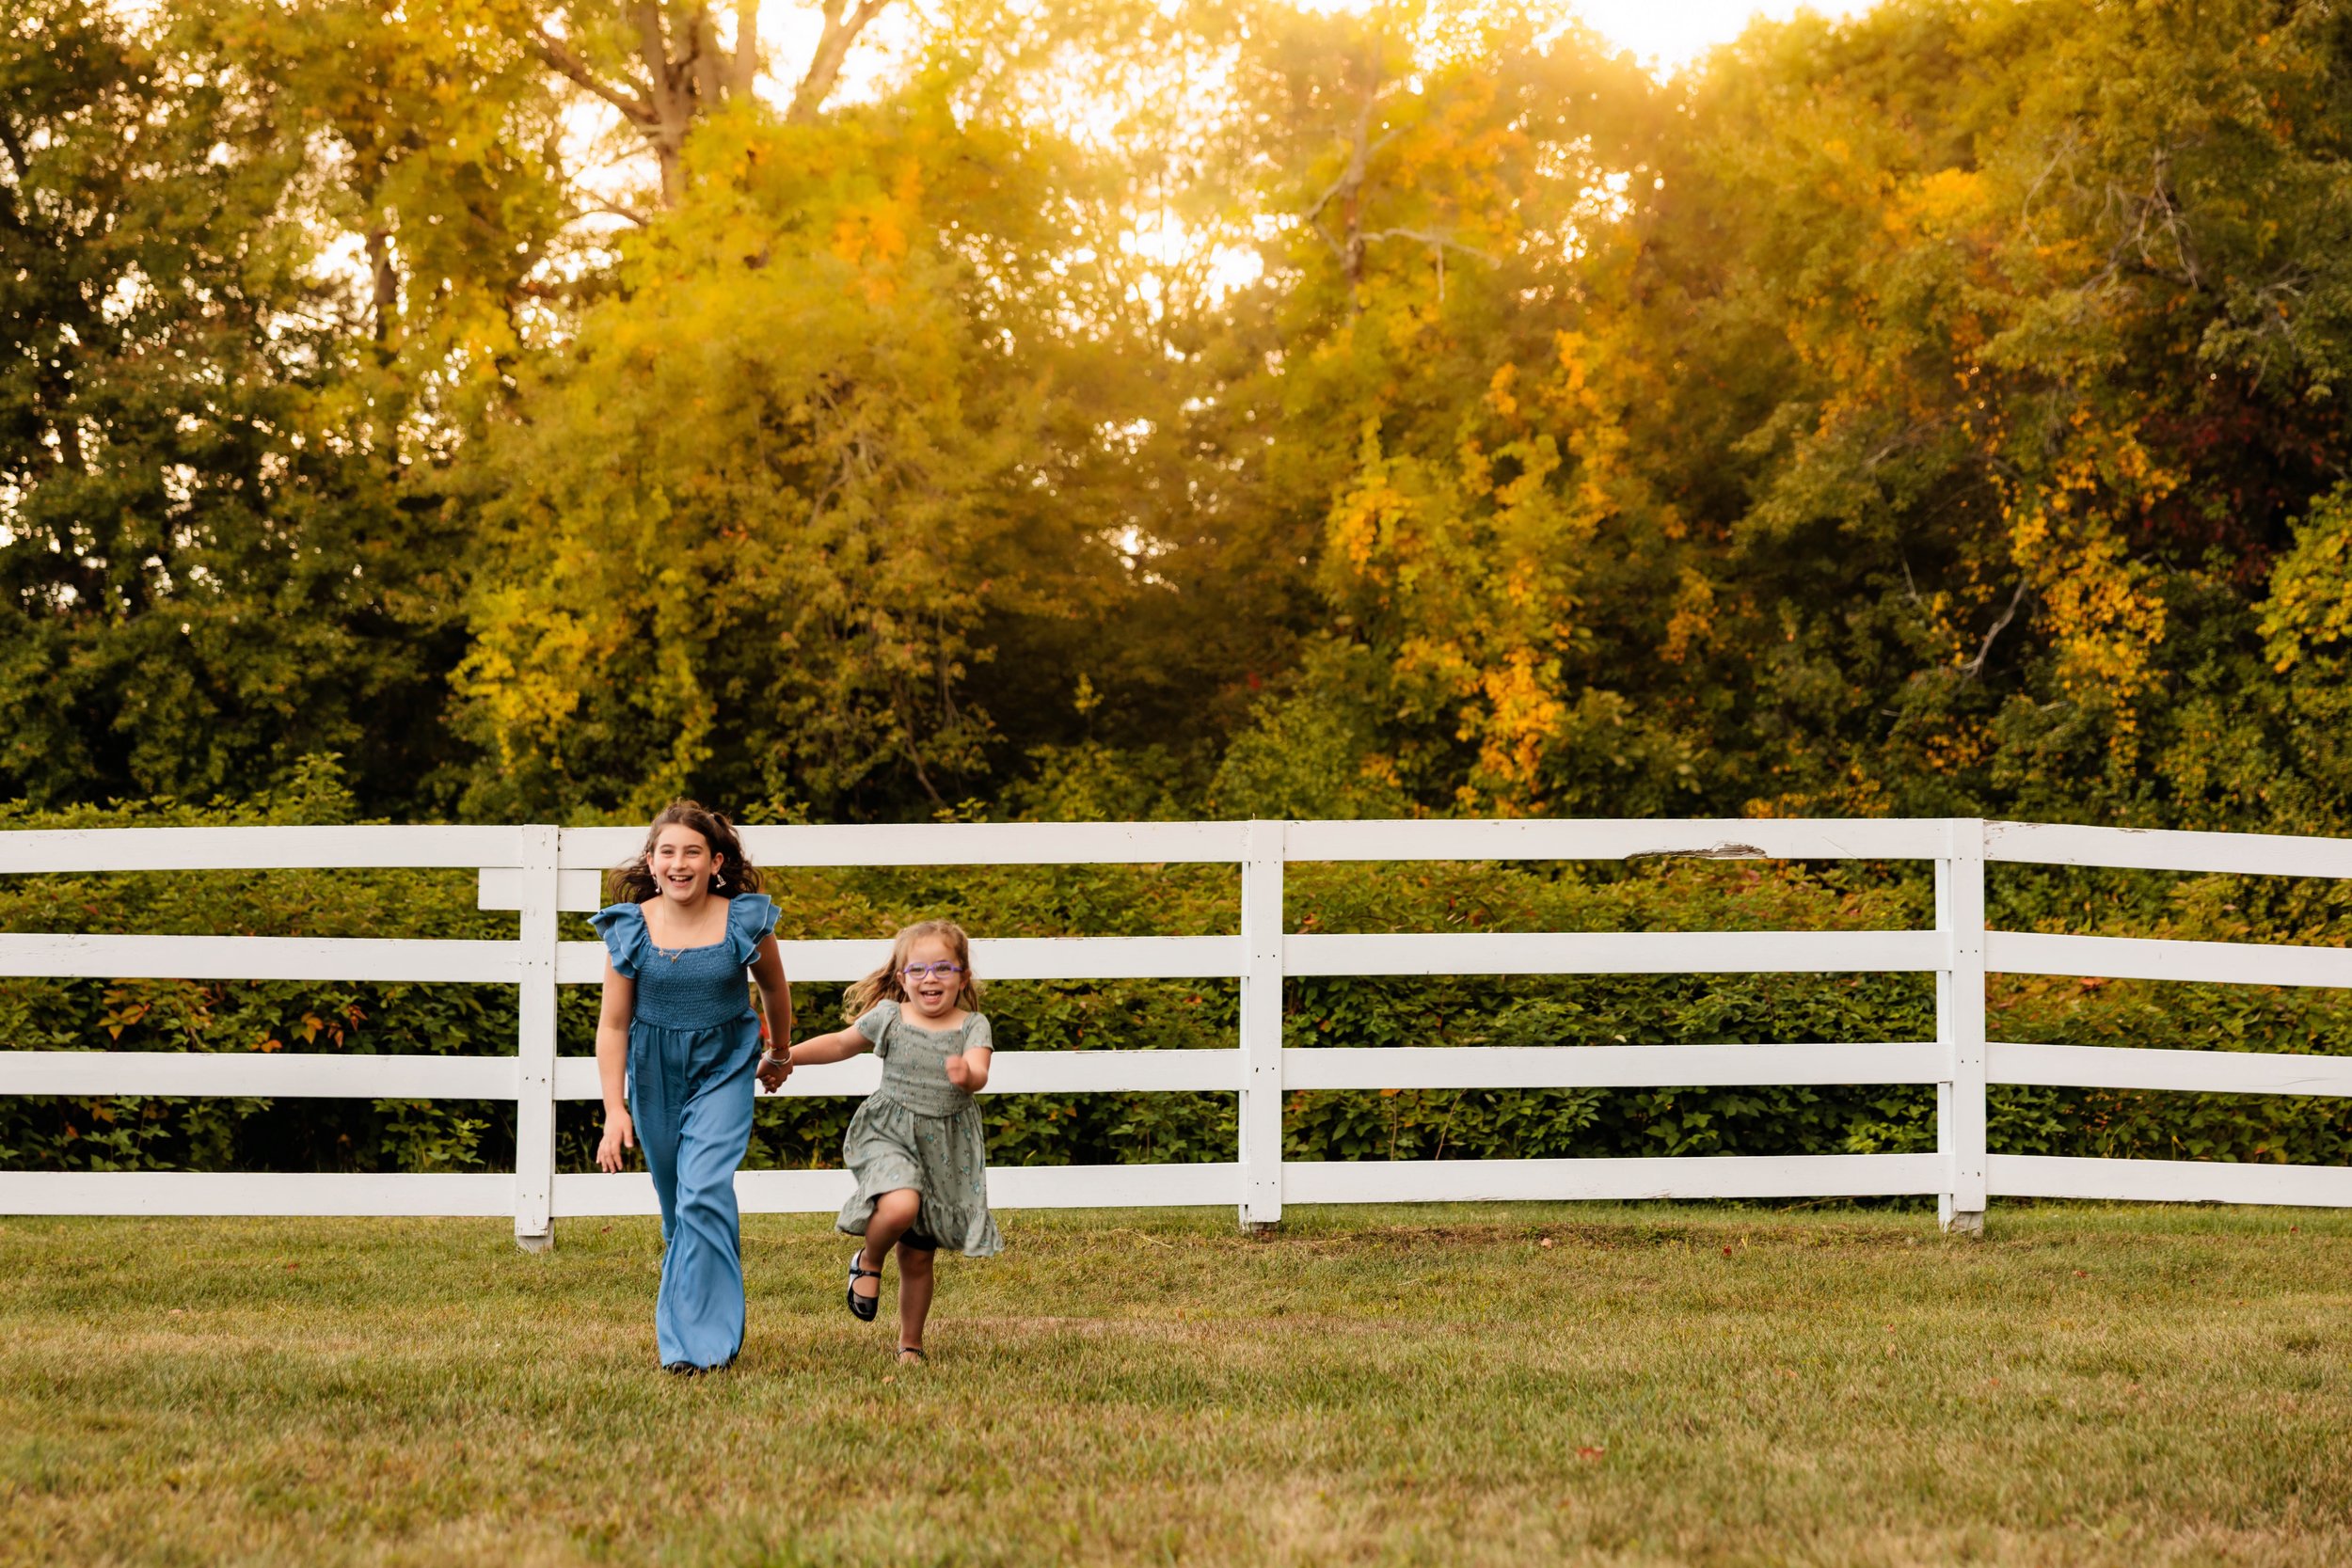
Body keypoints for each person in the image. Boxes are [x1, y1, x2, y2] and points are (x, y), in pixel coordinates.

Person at [590, 801, 793, 1374]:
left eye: (693, 852)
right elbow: (612, 1026)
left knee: (704, 1188)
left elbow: (776, 994)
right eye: (668, 852)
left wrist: (778, 1053)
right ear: (652, 863)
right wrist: (614, 1109)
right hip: (655, 1071)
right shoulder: (630, 928)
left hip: (725, 1063)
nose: (680, 863)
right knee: (679, 1207)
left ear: (716, 862)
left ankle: (696, 1349)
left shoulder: (744, 920)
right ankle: (697, 1313)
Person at [784, 919, 1002, 1364]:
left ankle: (910, 1345)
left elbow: (980, 1071)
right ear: (901, 978)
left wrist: (968, 1075)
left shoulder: (973, 1026)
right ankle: (869, 1258)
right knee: (901, 1204)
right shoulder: (889, 1017)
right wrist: (785, 1057)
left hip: (943, 1146)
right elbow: (841, 1044)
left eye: (943, 968)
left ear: (963, 975)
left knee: (920, 1257)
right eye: (918, 970)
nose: (930, 978)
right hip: (889, 1132)